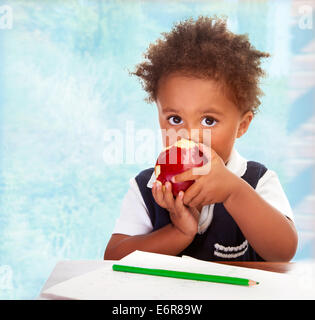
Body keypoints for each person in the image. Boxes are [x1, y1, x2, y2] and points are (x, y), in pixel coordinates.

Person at [104, 16, 298, 262]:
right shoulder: (148, 187)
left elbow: (283, 252)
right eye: (175, 119)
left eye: (208, 120)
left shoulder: (257, 181)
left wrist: (233, 193)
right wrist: (178, 232)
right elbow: (112, 258)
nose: (190, 136)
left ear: (242, 125)